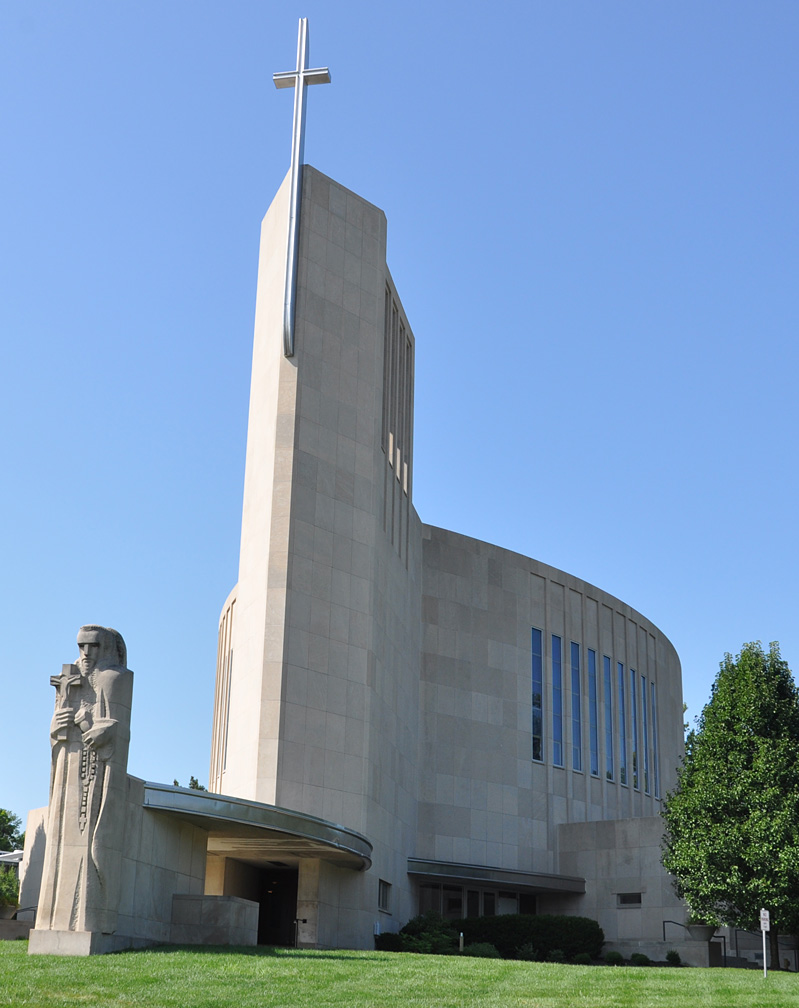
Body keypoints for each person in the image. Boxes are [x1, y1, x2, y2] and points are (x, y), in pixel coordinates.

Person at [37, 626, 133, 935]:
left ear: (106, 647)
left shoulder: (115, 679)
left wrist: (106, 731)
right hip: (69, 769)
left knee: (92, 844)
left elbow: (121, 729)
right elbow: (55, 733)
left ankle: (92, 919)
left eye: (93, 646)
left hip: (97, 773)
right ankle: (53, 920)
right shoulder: (69, 679)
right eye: (81, 646)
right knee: (62, 841)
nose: (86, 653)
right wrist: (56, 725)